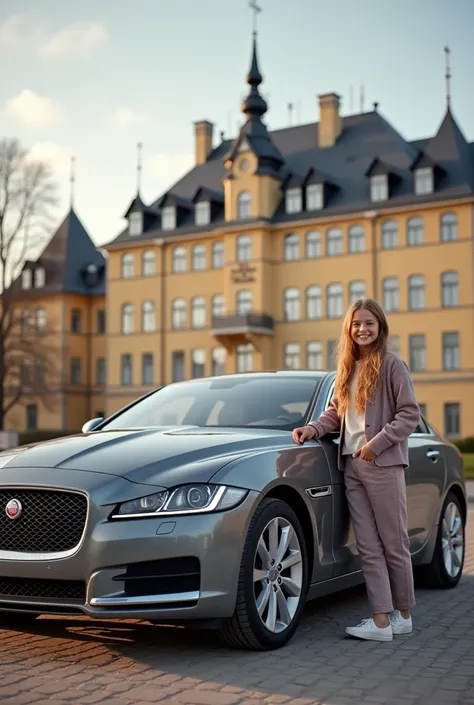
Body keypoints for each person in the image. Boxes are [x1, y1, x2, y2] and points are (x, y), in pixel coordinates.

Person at [293, 298, 420, 642]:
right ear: (348, 329)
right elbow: (334, 413)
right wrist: (313, 429)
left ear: (380, 329)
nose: (362, 329)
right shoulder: (345, 370)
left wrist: (376, 443)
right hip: (350, 465)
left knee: (393, 541)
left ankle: (403, 614)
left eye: (369, 324)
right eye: (356, 324)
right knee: (367, 545)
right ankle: (381, 620)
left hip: (382, 464)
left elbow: (409, 414)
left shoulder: (393, 366)